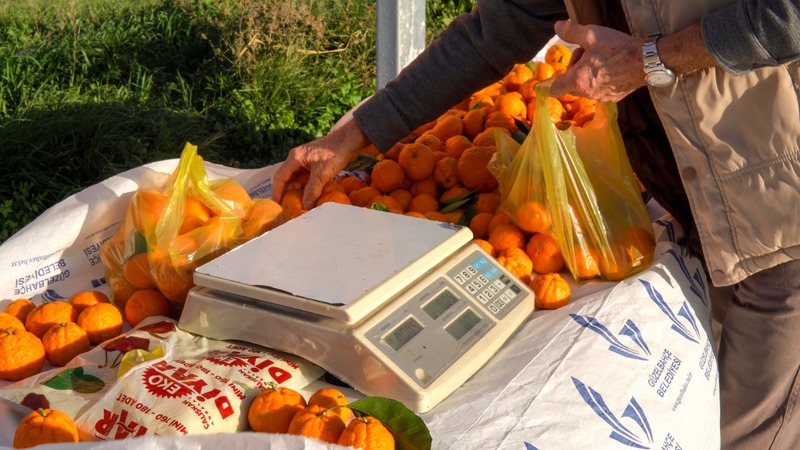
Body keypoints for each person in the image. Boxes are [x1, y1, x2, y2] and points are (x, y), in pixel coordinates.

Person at [271, 1, 800, 447]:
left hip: (782, 207)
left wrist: (652, 59)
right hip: (707, 201)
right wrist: (352, 136)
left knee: (752, 431)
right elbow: (490, 34)